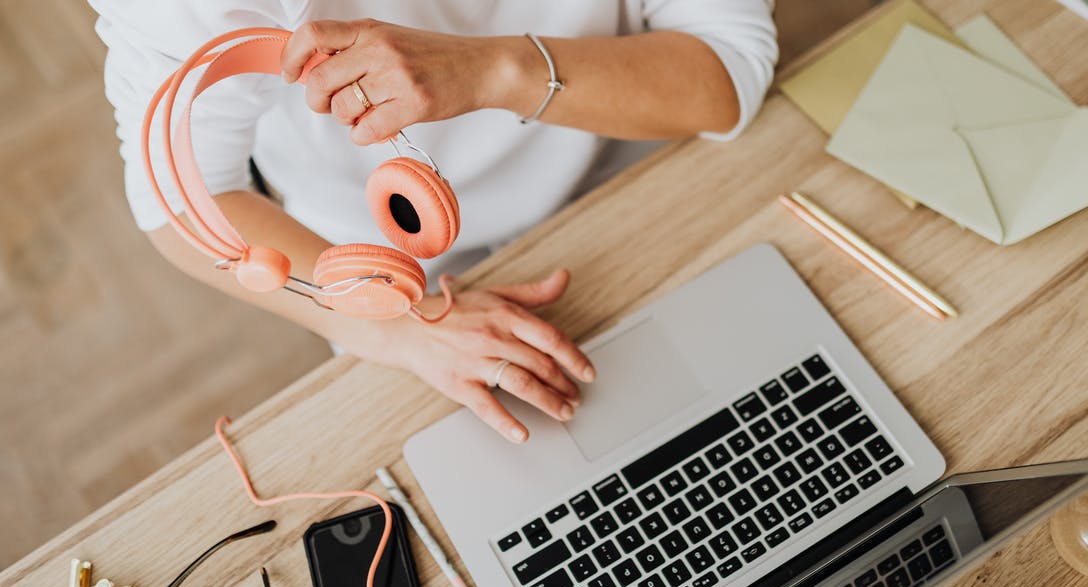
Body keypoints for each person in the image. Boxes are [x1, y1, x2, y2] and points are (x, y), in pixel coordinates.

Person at [90, 1, 778, 443]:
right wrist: (397, 326)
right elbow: (182, 198)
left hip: (624, 152)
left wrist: (494, 72)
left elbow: (726, 71)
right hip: (392, 272)